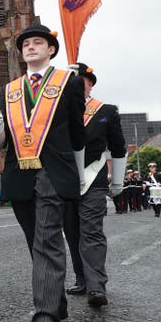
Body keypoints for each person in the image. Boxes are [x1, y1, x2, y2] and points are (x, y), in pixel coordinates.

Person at [0, 23, 87, 322]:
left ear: (51, 50)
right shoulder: (9, 90)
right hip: (19, 174)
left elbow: (78, 134)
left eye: (38, 42)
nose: (30, 47)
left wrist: (81, 174)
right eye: (26, 43)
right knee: (36, 241)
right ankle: (56, 300)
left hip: (53, 173)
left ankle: (45, 319)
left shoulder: (67, 83)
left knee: (47, 240)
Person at [61, 62, 127, 307]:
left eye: (78, 81)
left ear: (89, 83)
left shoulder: (106, 111)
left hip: (94, 179)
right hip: (65, 180)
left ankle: (96, 286)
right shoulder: (57, 111)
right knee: (71, 231)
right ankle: (82, 279)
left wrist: (118, 182)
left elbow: (118, 147)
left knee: (91, 231)